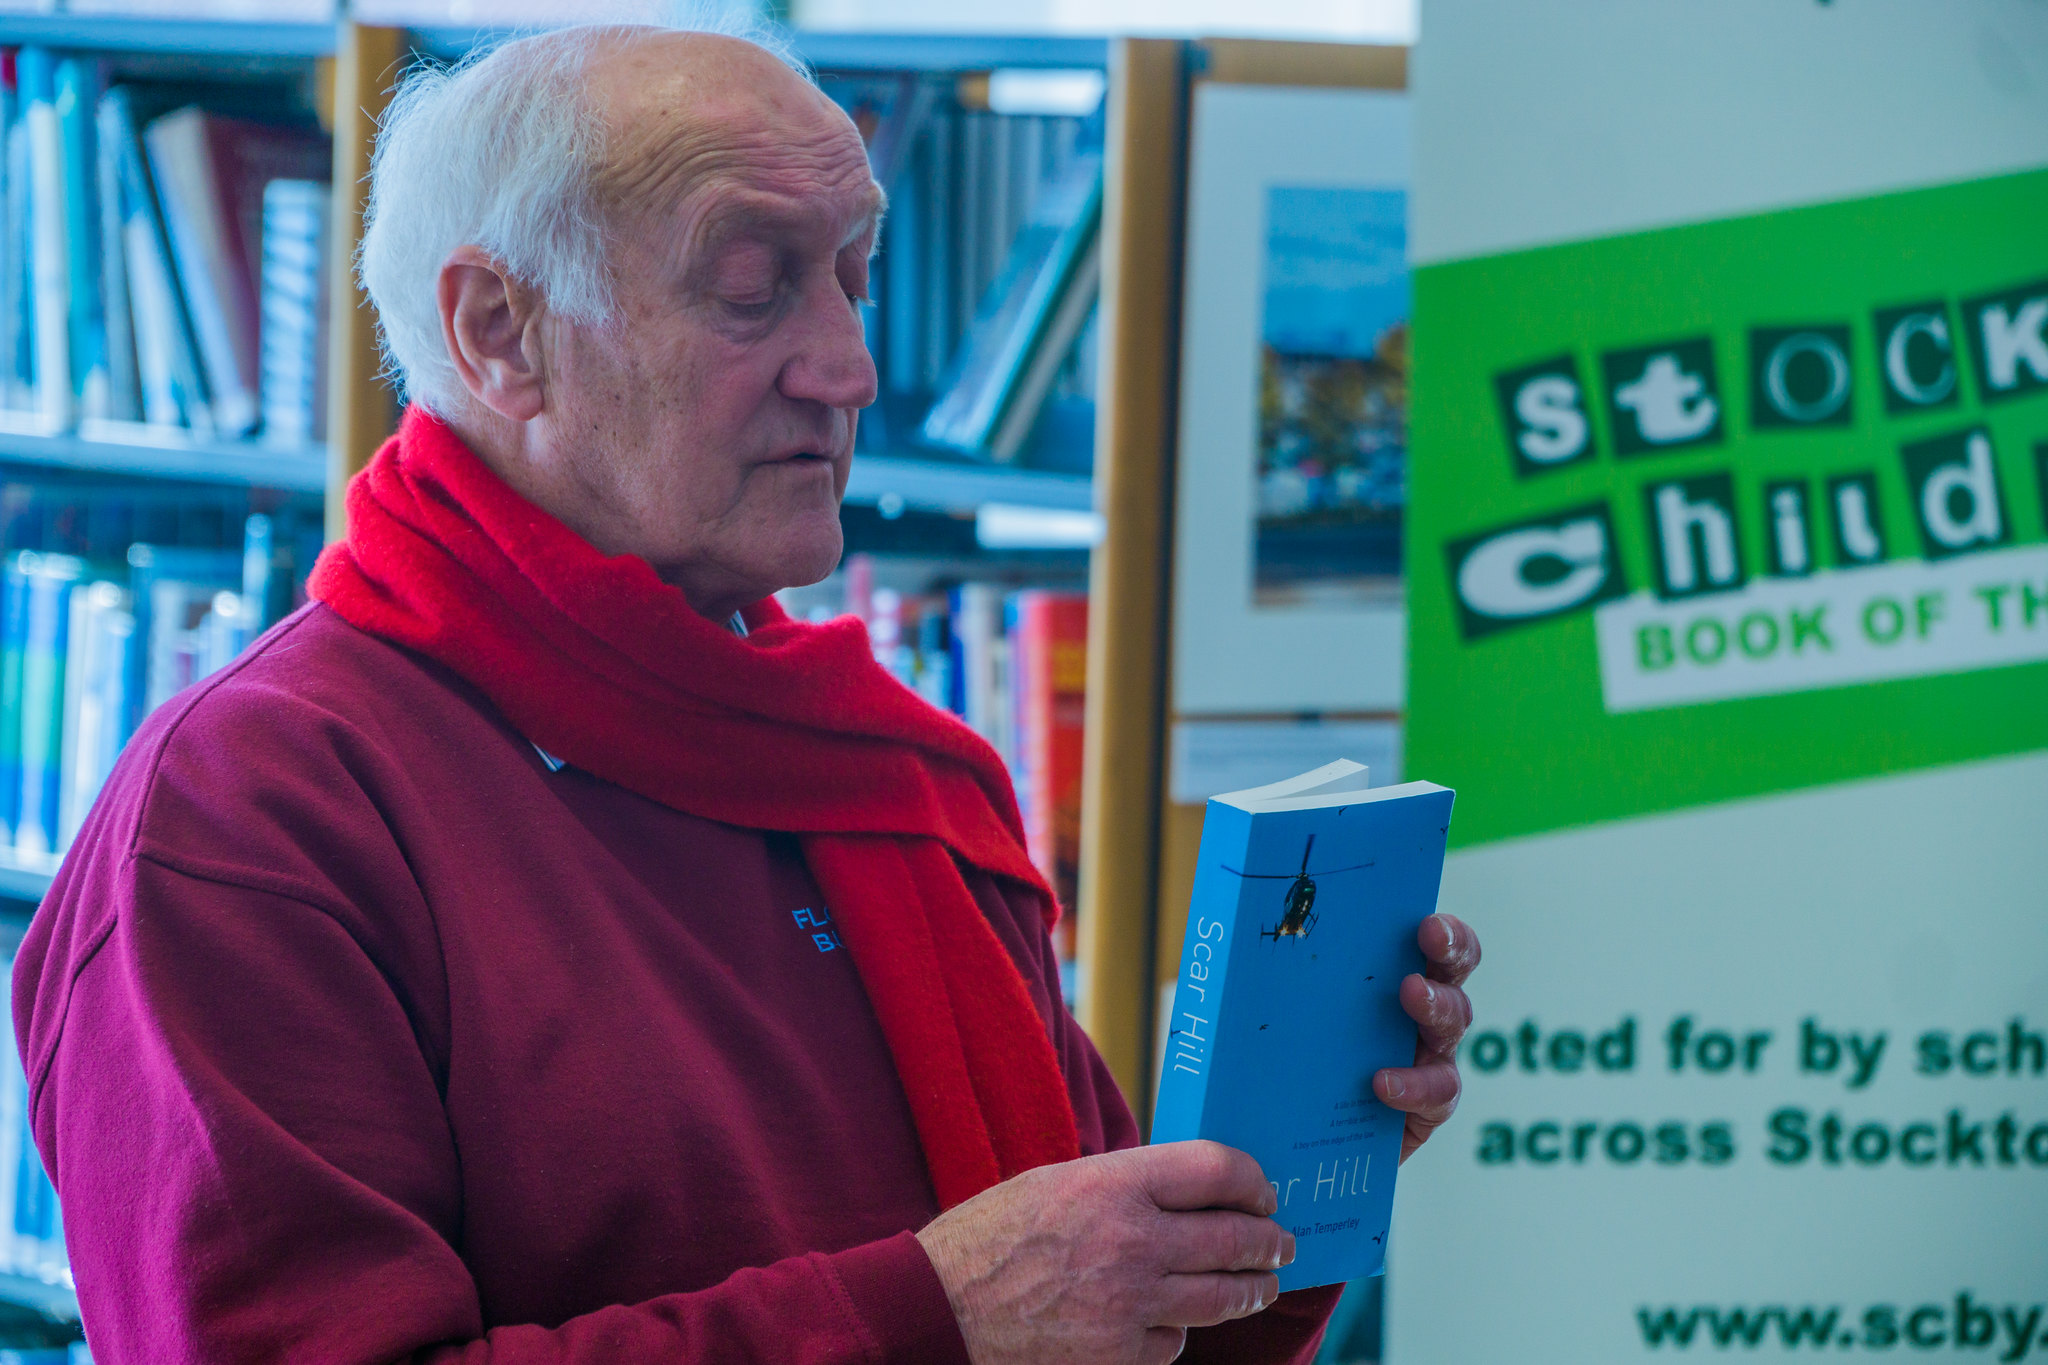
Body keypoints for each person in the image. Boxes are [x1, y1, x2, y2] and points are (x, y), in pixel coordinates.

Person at [12, 22, 1480, 1365]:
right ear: (496, 334)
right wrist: (938, 1314)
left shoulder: (903, 774)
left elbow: (1095, 1321)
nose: (847, 368)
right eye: (751, 287)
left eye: (854, 274)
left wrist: (1279, 1192)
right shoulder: (252, 818)